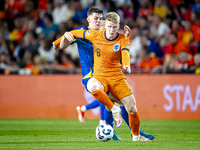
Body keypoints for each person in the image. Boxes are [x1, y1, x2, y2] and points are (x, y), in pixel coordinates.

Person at [53, 8, 154, 141]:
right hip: (91, 75)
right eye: (96, 18)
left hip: (108, 73)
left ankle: (131, 132)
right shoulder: (84, 32)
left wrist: (126, 39)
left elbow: (119, 45)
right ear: (89, 19)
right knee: (108, 99)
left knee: (122, 103)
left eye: (100, 18)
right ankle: (117, 130)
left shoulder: (104, 33)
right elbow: (64, 45)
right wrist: (63, 38)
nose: (99, 21)